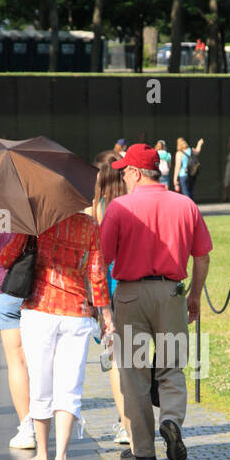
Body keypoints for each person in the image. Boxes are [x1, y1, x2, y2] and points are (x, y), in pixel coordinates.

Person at [98, 143, 212, 460]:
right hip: (172, 294)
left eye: (124, 173)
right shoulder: (185, 205)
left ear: (134, 172)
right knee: (172, 365)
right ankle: (172, 420)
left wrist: (101, 306)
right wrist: (194, 296)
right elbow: (202, 256)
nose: (123, 180)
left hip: (130, 295)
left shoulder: (119, 208)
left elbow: (102, 259)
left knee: (133, 374)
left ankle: (143, 449)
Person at [0, 208, 113, 460]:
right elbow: (97, 275)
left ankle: (42, 456)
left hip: (39, 310)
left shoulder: (36, 222)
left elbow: (6, 258)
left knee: (40, 384)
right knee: (69, 388)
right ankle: (62, 459)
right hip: (76, 312)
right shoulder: (89, 226)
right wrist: (107, 315)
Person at [84, 149, 130, 445]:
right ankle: (132, 420)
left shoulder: (94, 209)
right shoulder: (130, 204)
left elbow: (89, 255)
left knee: (117, 358)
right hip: (131, 280)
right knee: (134, 355)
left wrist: (91, 299)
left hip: (104, 284)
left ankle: (124, 423)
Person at [0, 229, 35, 450]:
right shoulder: (41, 214)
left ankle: (27, 427)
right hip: (40, 291)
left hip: (7, 290)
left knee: (17, 360)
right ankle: (47, 422)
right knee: (40, 360)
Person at [173, 136, 203, 201]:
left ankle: (188, 206)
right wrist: (199, 143)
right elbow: (197, 151)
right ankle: (192, 205)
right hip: (192, 173)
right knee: (191, 191)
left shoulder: (179, 153)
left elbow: (177, 167)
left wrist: (175, 178)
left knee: (185, 192)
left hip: (183, 174)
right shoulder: (191, 150)